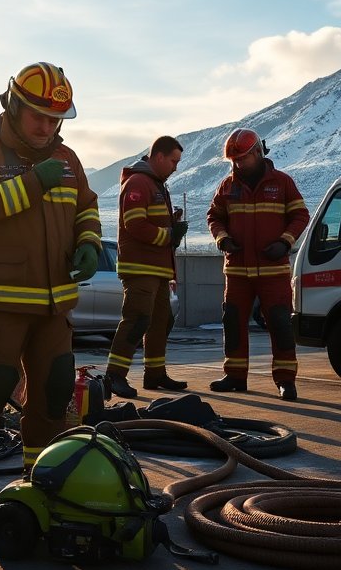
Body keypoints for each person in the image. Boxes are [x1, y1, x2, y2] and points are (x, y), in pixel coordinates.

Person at [0, 61, 101, 506]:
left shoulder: (67, 160)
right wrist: (31, 183)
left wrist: (89, 241)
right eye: (39, 117)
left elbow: (87, 206)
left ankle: (38, 473)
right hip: (0, 302)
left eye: (55, 120)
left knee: (55, 386)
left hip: (54, 305)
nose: (47, 127)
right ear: (13, 105)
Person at [206, 128, 310, 400]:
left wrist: (285, 242)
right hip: (237, 272)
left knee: (280, 323)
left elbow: (300, 214)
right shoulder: (227, 187)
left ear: (257, 153)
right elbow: (214, 217)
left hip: (273, 271)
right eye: (234, 160)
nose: (238, 164)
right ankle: (235, 375)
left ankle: (286, 380)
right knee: (233, 322)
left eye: (242, 158)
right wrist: (223, 239)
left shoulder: (283, 183)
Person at [104, 135, 189, 398]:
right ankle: (114, 376)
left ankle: (155, 373)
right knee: (137, 319)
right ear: (159, 156)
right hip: (140, 269)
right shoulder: (139, 182)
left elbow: (148, 221)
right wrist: (168, 235)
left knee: (161, 322)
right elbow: (135, 224)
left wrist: (171, 226)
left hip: (158, 269)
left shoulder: (157, 185)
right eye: (173, 161)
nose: (176, 167)